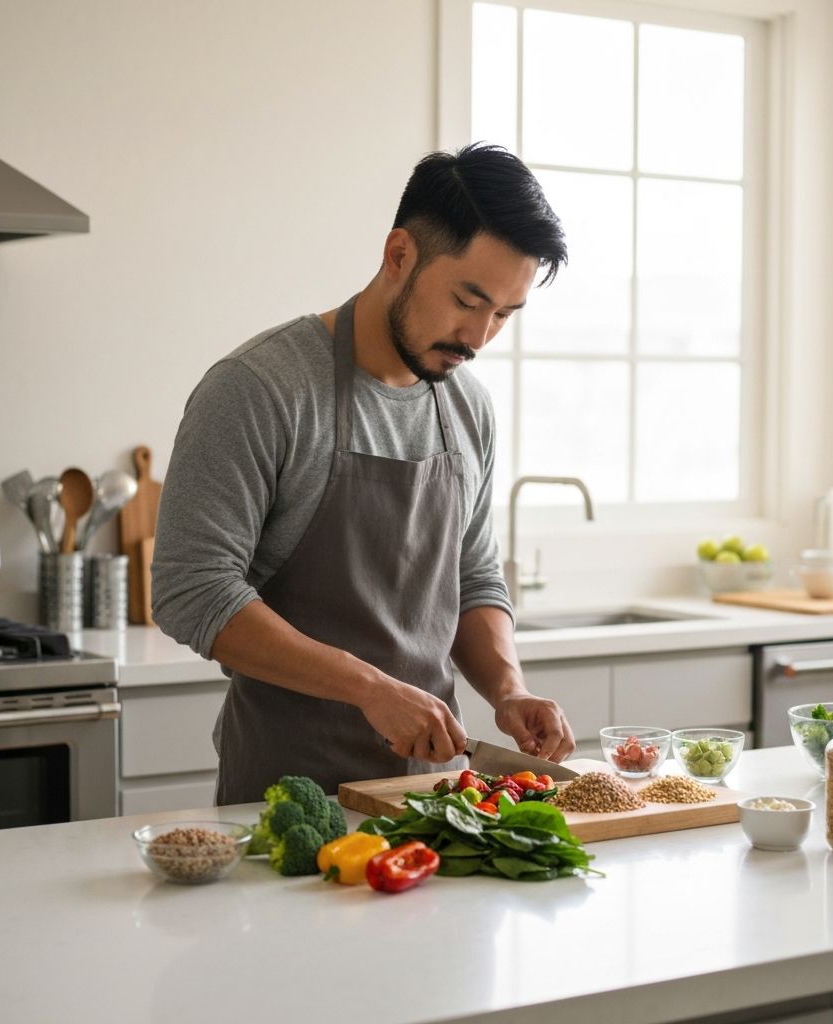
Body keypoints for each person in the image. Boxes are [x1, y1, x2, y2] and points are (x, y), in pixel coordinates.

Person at [151, 142, 575, 802]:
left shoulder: (468, 407)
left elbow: (472, 574)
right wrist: (369, 688)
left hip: (436, 802)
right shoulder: (261, 388)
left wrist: (507, 688)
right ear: (399, 255)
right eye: (468, 299)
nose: (479, 336)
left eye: (504, 314)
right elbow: (191, 590)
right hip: (284, 804)